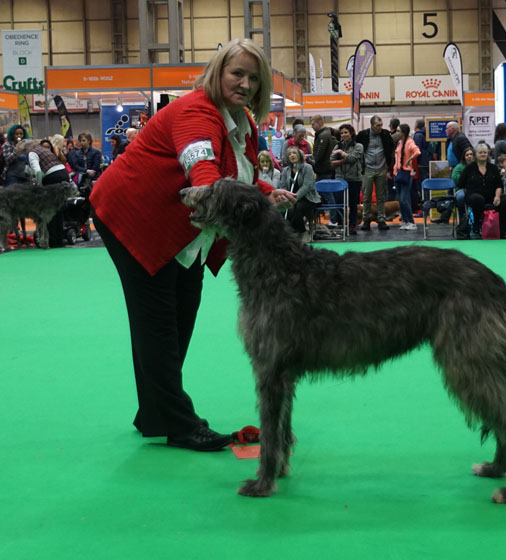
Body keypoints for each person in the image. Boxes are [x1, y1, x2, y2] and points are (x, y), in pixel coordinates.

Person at [89, 38, 296, 451]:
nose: (245, 84)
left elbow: (235, 173)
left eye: (254, 79)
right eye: (237, 73)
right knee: (159, 323)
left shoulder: (243, 123)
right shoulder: (195, 112)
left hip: (186, 228)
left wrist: (263, 190)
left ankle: (155, 410)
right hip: (138, 219)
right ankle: (178, 423)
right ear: (218, 72)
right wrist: (216, 193)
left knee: (183, 312)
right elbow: (201, 166)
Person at [20, 139, 71, 247]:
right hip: (63, 174)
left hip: (52, 177)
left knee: (50, 211)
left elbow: (38, 171)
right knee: (58, 210)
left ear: (27, 148)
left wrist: (39, 186)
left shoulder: (32, 153)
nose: (24, 154)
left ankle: (52, 241)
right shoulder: (44, 150)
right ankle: (59, 240)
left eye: (23, 151)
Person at [456, 143, 506, 238]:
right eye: (480, 153)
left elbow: (499, 185)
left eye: (485, 152)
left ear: (488, 154)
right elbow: (460, 184)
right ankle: (477, 224)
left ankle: (503, 230)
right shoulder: (469, 168)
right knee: (478, 199)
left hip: (491, 195)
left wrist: (497, 197)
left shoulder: (493, 168)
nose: (483, 154)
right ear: (476, 154)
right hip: (474, 196)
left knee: (504, 201)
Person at [356, 115, 395, 231]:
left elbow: (391, 149)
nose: (380, 128)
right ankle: (366, 219)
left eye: (381, 125)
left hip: (381, 168)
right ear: (372, 125)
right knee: (366, 196)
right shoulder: (363, 135)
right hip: (367, 168)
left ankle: (381, 219)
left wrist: (389, 166)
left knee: (381, 196)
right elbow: (357, 147)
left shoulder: (385, 134)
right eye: (378, 126)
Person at [330, 123, 363, 235]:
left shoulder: (358, 146)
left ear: (351, 133)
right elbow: (331, 162)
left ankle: (352, 225)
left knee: (353, 204)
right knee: (340, 203)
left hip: (354, 179)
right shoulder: (336, 146)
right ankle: (341, 224)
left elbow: (354, 159)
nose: (343, 135)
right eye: (342, 133)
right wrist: (343, 158)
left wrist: (341, 154)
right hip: (339, 179)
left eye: (346, 132)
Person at [279, 146, 320, 237]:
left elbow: (307, 186)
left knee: (298, 207)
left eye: (294, 153)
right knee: (285, 208)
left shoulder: (307, 168)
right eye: (290, 154)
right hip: (290, 198)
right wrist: (287, 197)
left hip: (308, 198)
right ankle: (291, 232)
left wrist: (294, 197)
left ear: (299, 155)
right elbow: (283, 186)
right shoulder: (286, 170)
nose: (292, 155)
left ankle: (301, 232)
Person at [392, 123, 420, 231]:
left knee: (404, 199)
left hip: (406, 173)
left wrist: (409, 160)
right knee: (401, 199)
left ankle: (411, 222)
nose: (397, 133)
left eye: (398, 131)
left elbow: (417, 151)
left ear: (403, 132)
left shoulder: (409, 142)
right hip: (397, 172)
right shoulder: (400, 142)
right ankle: (404, 221)